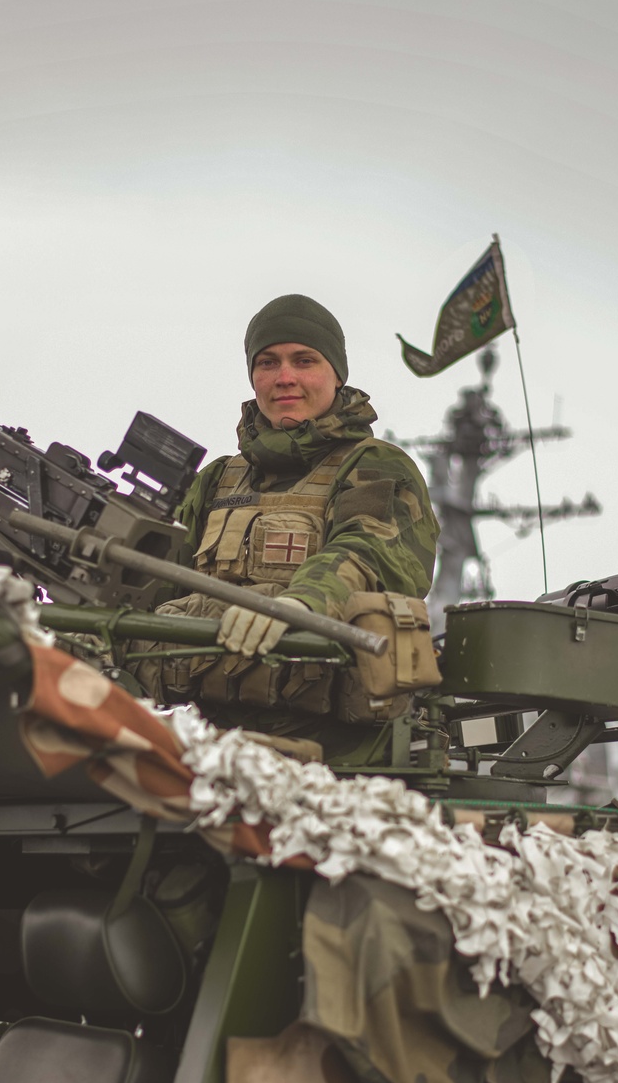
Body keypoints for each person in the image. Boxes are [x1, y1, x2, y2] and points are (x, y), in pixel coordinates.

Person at [135, 293, 439, 762]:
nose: (285, 378)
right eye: (267, 362)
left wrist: (298, 604)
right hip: (201, 736)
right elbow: (155, 580)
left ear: (336, 374)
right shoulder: (218, 479)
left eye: (305, 360)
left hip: (330, 751)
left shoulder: (374, 465)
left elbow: (369, 553)